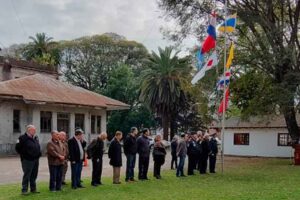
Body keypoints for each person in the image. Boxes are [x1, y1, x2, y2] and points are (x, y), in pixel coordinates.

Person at [15, 125, 41, 195]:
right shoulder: (22, 138)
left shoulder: (35, 138)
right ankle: (24, 190)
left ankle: (33, 189)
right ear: (28, 130)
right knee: (27, 175)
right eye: (33, 130)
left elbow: (37, 147)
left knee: (34, 175)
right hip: (27, 160)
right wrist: (25, 156)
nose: (35, 131)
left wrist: (39, 154)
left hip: (35, 159)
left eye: (35, 130)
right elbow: (17, 148)